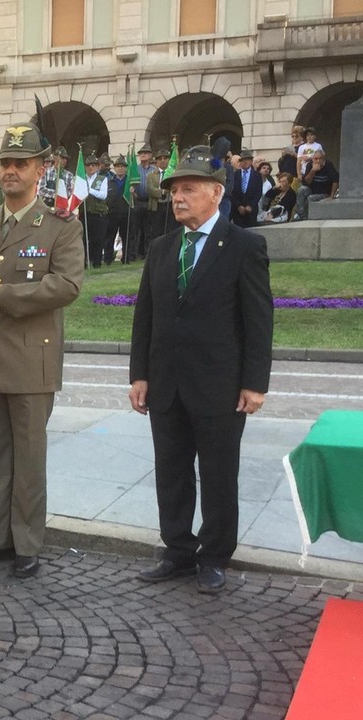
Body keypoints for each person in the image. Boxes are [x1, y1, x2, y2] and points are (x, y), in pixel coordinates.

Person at [129, 145, 273, 594]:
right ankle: (177, 549)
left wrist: (254, 383)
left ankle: (213, 556)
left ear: (216, 193)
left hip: (219, 386)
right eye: (175, 190)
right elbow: (145, 316)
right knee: (171, 472)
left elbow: (258, 319)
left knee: (217, 475)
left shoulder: (245, 245)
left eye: (189, 189)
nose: (177, 197)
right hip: (166, 384)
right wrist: (139, 374)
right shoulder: (161, 248)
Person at [0, 122, 85, 579]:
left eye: (21, 163)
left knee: (29, 459)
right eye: (5, 164)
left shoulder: (59, 226)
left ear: (40, 170)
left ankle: (27, 543)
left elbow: (67, 284)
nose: (10, 171)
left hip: (32, 358)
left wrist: (5, 296)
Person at [82, 154, 109, 267]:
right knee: (83, 239)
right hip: (84, 212)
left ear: (97, 167)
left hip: (98, 214)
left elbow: (103, 195)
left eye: (93, 165)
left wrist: (89, 190)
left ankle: (96, 262)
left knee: (97, 239)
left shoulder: (102, 179)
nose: (91, 167)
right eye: (88, 165)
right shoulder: (81, 179)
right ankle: (83, 262)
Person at [295, 150, 339, 220]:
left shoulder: (328, 165)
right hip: (312, 190)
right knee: (301, 190)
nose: (318, 161)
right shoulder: (310, 165)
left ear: (323, 159)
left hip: (324, 193)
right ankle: (300, 215)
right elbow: (306, 183)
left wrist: (332, 196)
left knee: (310, 198)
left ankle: (306, 217)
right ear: (312, 159)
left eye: (320, 158)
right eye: (316, 159)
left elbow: (335, 180)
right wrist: (313, 171)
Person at [230, 148, 263, 228]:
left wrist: (251, 206)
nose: (245, 162)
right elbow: (232, 192)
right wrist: (238, 206)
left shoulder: (257, 175)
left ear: (251, 161)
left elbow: (258, 192)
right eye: (243, 160)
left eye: (247, 160)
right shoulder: (235, 175)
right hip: (237, 210)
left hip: (251, 210)